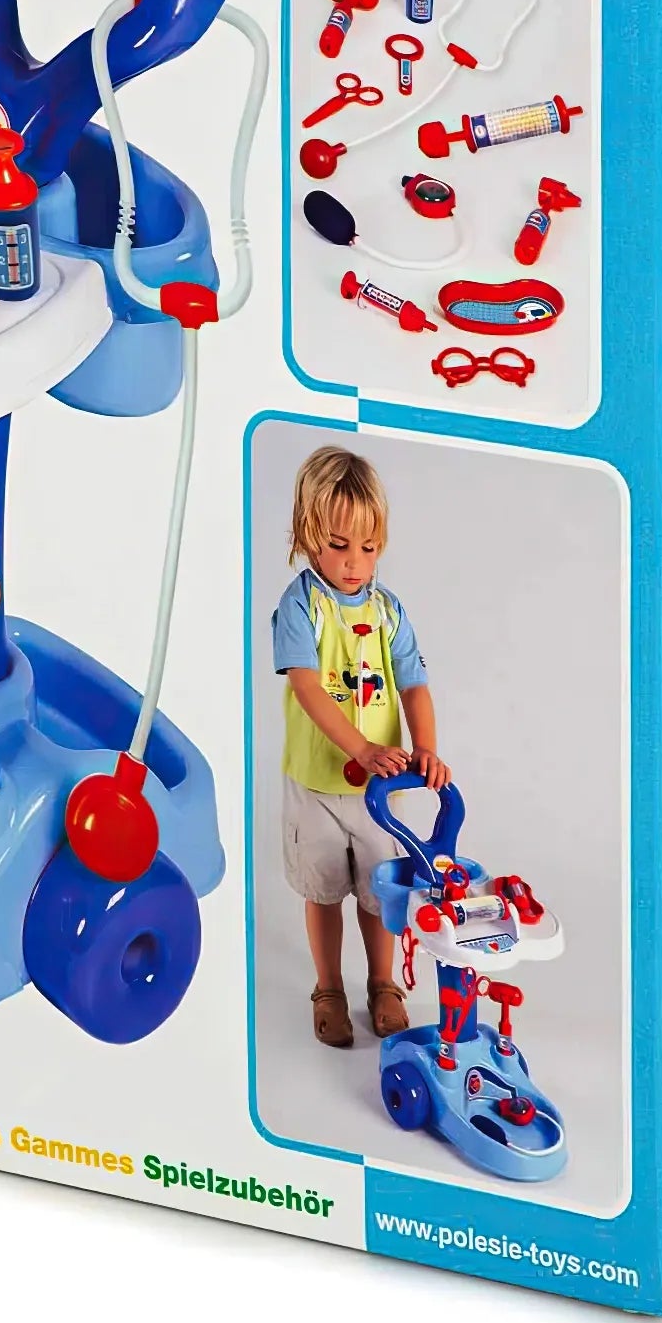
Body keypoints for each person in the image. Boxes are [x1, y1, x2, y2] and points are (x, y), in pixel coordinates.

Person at [271, 445, 449, 1049]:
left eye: (369, 548)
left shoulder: (388, 610)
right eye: (339, 545)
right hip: (316, 785)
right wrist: (362, 747)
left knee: (380, 892)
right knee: (323, 891)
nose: (355, 563)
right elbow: (308, 688)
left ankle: (382, 985)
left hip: (378, 793)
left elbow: (414, 685)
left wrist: (425, 749)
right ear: (308, 534)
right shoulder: (301, 606)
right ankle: (328, 988)